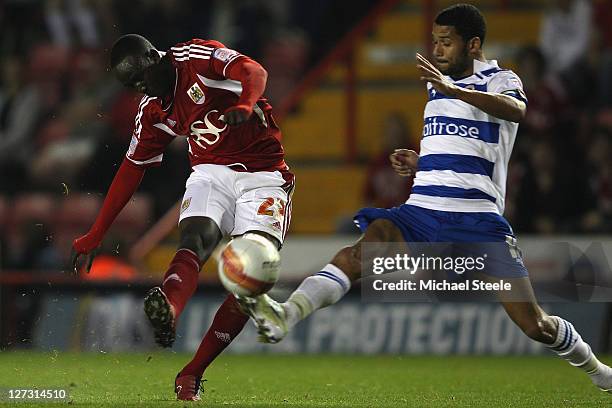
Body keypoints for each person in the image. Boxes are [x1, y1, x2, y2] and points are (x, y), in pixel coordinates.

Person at [238, 4, 612, 394]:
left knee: (535, 324)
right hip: (421, 211)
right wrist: (421, 161)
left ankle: (599, 371)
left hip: (477, 218)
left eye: (446, 42)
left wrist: (456, 89)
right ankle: (286, 315)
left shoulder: (500, 78)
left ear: (474, 44)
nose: (437, 50)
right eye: (434, 41)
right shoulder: (436, 84)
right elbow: (457, 141)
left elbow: (516, 111)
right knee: (358, 254)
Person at [70, 34, 294, 401]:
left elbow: (253, 69)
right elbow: (131, 169)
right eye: (134, 87)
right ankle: (170, 308)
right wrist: (97, 231)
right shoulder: (152, 110)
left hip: (264, 176)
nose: (143, 91)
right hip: (210, 172)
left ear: (153, 57)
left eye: (143, 80)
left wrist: (245, 102)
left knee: (252, 276)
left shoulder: (194, 57)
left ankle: (192, 370)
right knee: (195, 240)